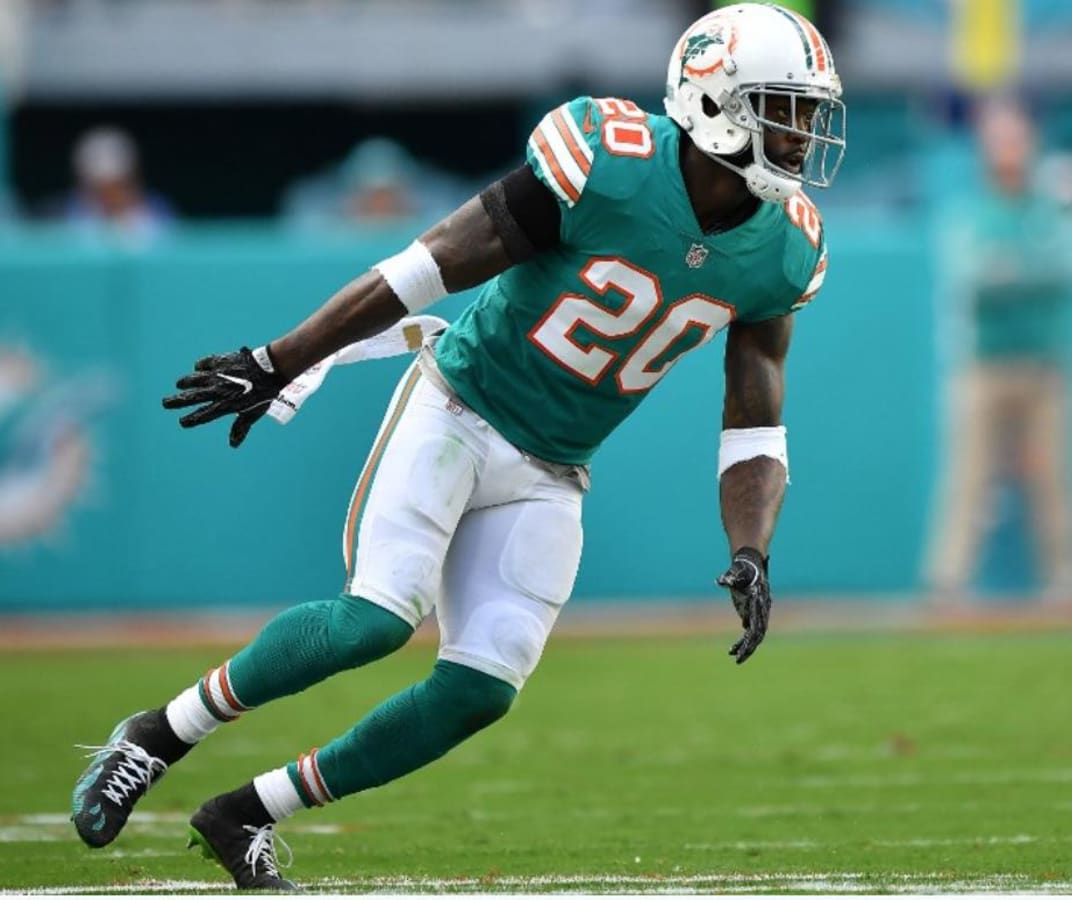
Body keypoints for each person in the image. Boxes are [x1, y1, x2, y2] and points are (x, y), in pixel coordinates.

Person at [70, 3, 843, 890]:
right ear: (713, 101)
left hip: (553, 469)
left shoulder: (784, 248)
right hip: (458, 405)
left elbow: (754, 418)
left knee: (481, 688)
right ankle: (157, 737)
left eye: (811, 111)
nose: (804, 132)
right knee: (373, 619)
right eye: (786, 107)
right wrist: (279, 359)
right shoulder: (609, 162)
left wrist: (750, 549)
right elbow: (430, 263)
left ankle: (245, 813)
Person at [924, 96, 1072, 610]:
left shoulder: (1054, 204)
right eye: (998, 139)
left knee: (1055, 477)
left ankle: (1068, 581)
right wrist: (1025, 268)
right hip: (982, 364)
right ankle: (947, 584)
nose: (1008, 150)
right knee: (969, 477)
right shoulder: (970, 211)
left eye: (1016, 138)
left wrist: (1013, 268)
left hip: (1046, 364)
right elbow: (971, 276)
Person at [64, 126, 173, 243]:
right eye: (98, 189)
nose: (110, 196)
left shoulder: (158, 213)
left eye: (118, 186)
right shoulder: (63, 216)